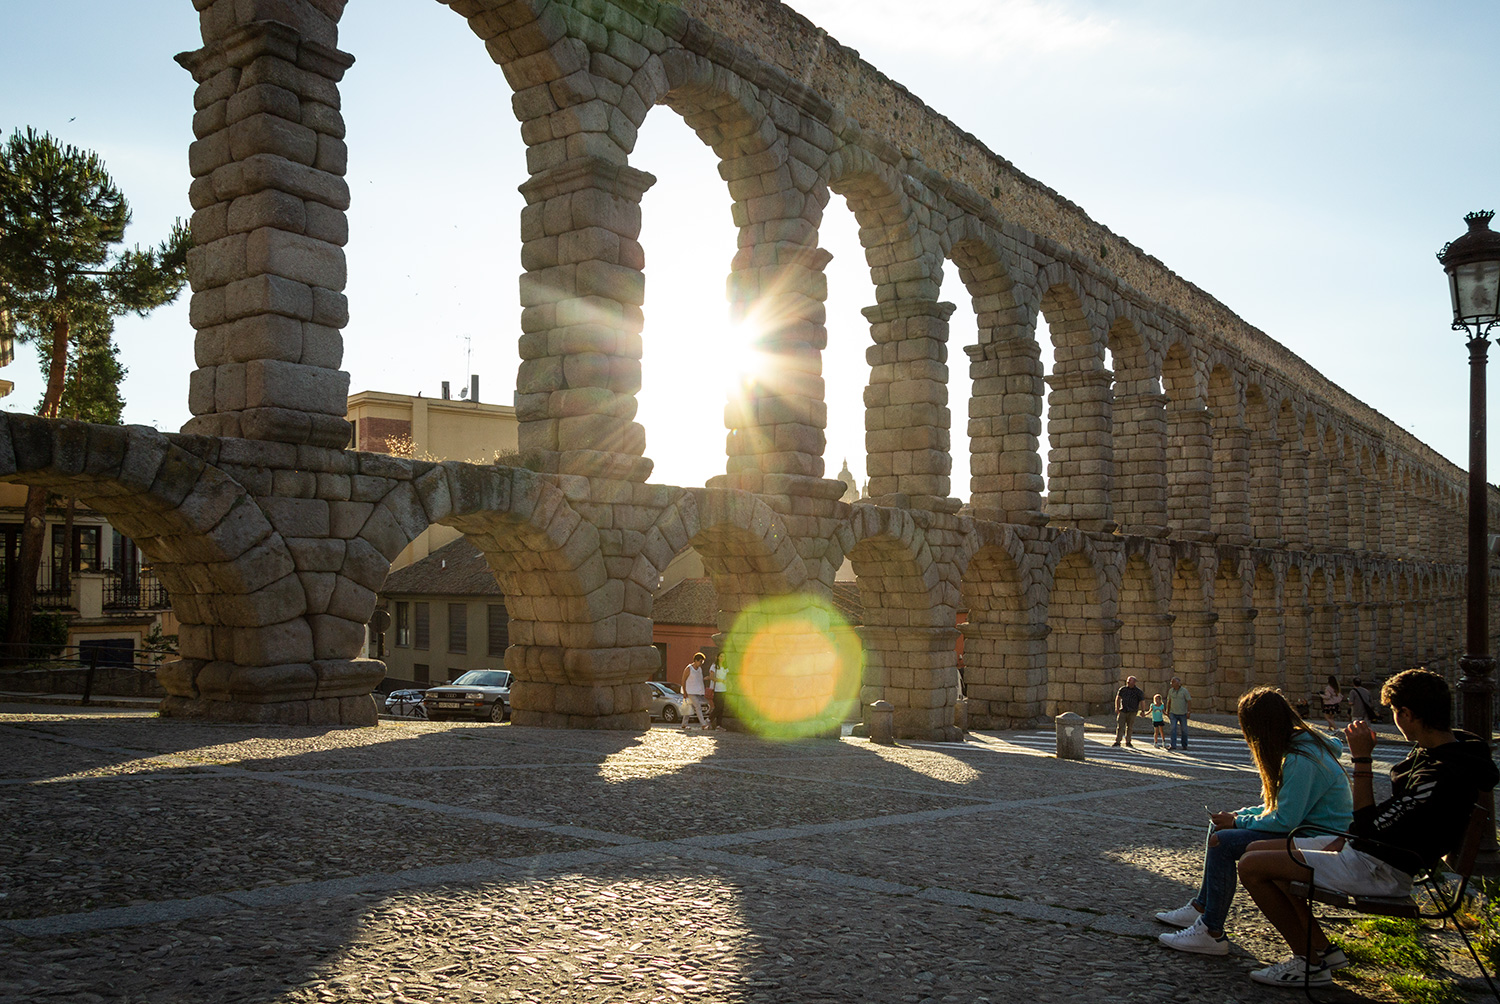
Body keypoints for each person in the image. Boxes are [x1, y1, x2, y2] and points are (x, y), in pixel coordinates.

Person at [1236, 668, 1499, 988]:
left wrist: (1362, 760)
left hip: (1383, 869)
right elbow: (1384, 823)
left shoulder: (1442, 774)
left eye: (1393, 712)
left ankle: (1309, 964)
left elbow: (1372, 824)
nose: (1392, 719)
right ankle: (1321, 949)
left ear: (1407, 714)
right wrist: (1349, 838)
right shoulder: (1447, 752)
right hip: (1375, 851)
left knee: (1251, 866)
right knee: (1257, 849)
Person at [1156, 687, 1352, 958]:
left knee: (1223, 841)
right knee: (1221, 827)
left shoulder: (1301, 759)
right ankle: (1203, 906)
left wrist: (1238, 823)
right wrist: (1239, 816)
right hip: (1306, 828)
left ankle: (1211, 931)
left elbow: (1284, 819)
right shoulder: (1301, 748)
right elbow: (1282, 806)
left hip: (1317, 837)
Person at [1113, 675, 1145, 747]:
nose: (1128, 682)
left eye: (1129, 681)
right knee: (1120, 726)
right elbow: (1118, 698)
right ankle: (1118, 741)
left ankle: (1128, 741)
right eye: (1127, 681)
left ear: (1134, 682)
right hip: (1123, 710)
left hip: (1132, 711)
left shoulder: (1138, 692)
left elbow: (1142, 701)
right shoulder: (1123, 689)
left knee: (1130, 727)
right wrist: (1117, 707)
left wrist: (1143, 711)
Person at [680, 652, 709, 731]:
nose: (701, 663)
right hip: (690, 692)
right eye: (700, 661)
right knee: (698, 706)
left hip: (696, 691)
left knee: (690, 707)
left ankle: (684, 724)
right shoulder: (689, 668)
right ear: (696, 660)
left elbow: (698, 680)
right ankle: (703, 724)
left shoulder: (699, 669)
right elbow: (683, 680)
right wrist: (684, 691)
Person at [1166, 677, 1191, 751]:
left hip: (1182, 713)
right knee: (1173, 729)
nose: (1171, 684)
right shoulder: (1170, 691)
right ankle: (1173, 745)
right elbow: (1169, 701)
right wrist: (1168, 711)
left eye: (1173, 682)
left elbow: (1189, 701)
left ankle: (1184, 745)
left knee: (1184, 730)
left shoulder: (1184, 691)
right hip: (1173, 713)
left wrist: (1188, 711)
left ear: (1178, 683)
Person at [709, 657, 730, 730]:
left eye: (723, 656)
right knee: (718, 706)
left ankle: (718, 725)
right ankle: (709, 719)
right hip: (716, 689)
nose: (722, 658)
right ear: (717, 657)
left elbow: (727, 677)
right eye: (721, 656)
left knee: (721, 708)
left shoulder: (725, 667)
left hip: (723, 689)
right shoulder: (714, 666)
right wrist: (721, 680)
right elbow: (711, 677)